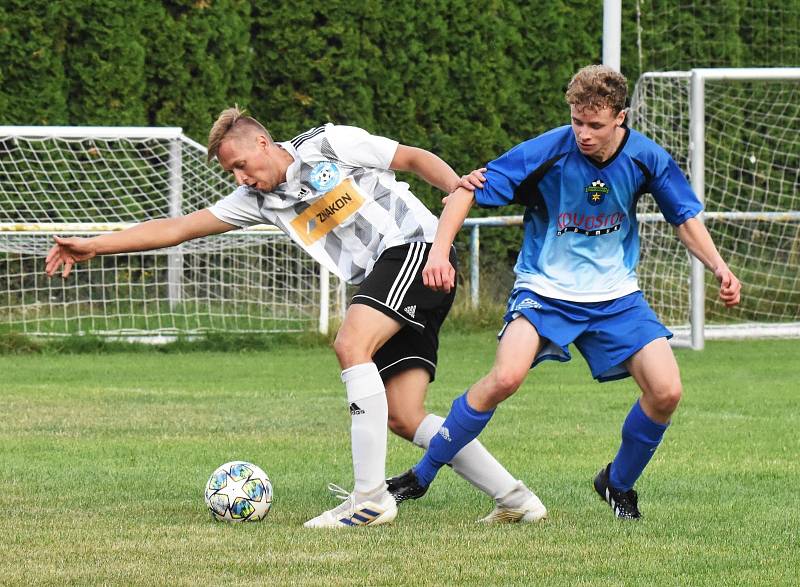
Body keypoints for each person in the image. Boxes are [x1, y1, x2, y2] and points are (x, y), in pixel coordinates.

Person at [45, 107, 547, 528]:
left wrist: (455, 192)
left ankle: (369, 499)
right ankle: (516, 499)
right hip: (388, 277)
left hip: (415, 250)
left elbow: (411, 158)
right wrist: (92, 245)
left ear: (263, 142)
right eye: (233, 173)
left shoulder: (328, 144)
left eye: (241, 164)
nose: (241, 178)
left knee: (351, 345)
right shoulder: (257, 200)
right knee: (403, 414)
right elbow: (179, 228)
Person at [387, 64, 742, 520]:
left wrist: (718, 267)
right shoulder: (549, 151)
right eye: (577, 121)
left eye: (595, 125)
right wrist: (439, 253)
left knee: (667, 391)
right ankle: (421, 476)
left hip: (616, 298)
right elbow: (463, 191)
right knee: (505, 378)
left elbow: (684, 217)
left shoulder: (645, 157)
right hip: (544, 292)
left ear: (621, 117)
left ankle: (617, 484)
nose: (584, 134)